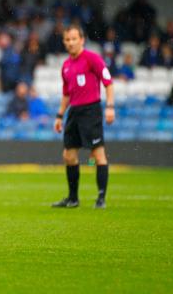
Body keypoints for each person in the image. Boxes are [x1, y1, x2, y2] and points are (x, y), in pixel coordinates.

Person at [53, 24, 115, 209]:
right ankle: (73, 199)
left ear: (82, 40)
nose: (70, 42)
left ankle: (101, 198)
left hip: (91, 111)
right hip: (74, 112)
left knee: (97, 154)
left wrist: (110, 106)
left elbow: (108, 82)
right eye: (67, 39)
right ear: (64, 42)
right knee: (69, 155)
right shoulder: (65, 66)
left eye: (74, 39)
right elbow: (66, 93)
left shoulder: (92, 58)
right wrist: (59, 115)